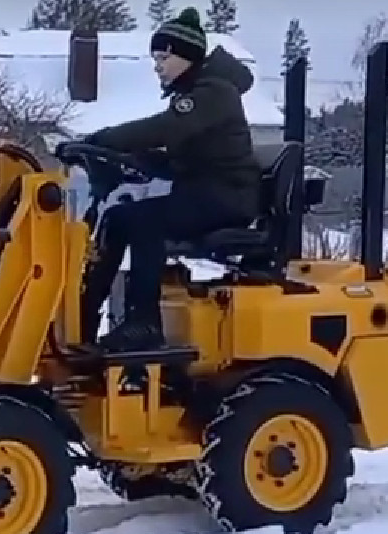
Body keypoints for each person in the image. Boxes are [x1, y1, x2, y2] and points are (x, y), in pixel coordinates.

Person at [72, 6, 262, 352]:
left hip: (227, 197)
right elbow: (176, 156)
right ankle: (82, 318)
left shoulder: (213, 93)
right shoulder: (197, 94)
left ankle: (143, 324)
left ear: (186, 56)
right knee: (116, 218)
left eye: (163, 56)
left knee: (145, 222)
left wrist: (99, 140)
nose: (157, 65)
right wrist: (126, 160)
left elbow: (165, 128)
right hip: (205, 192)